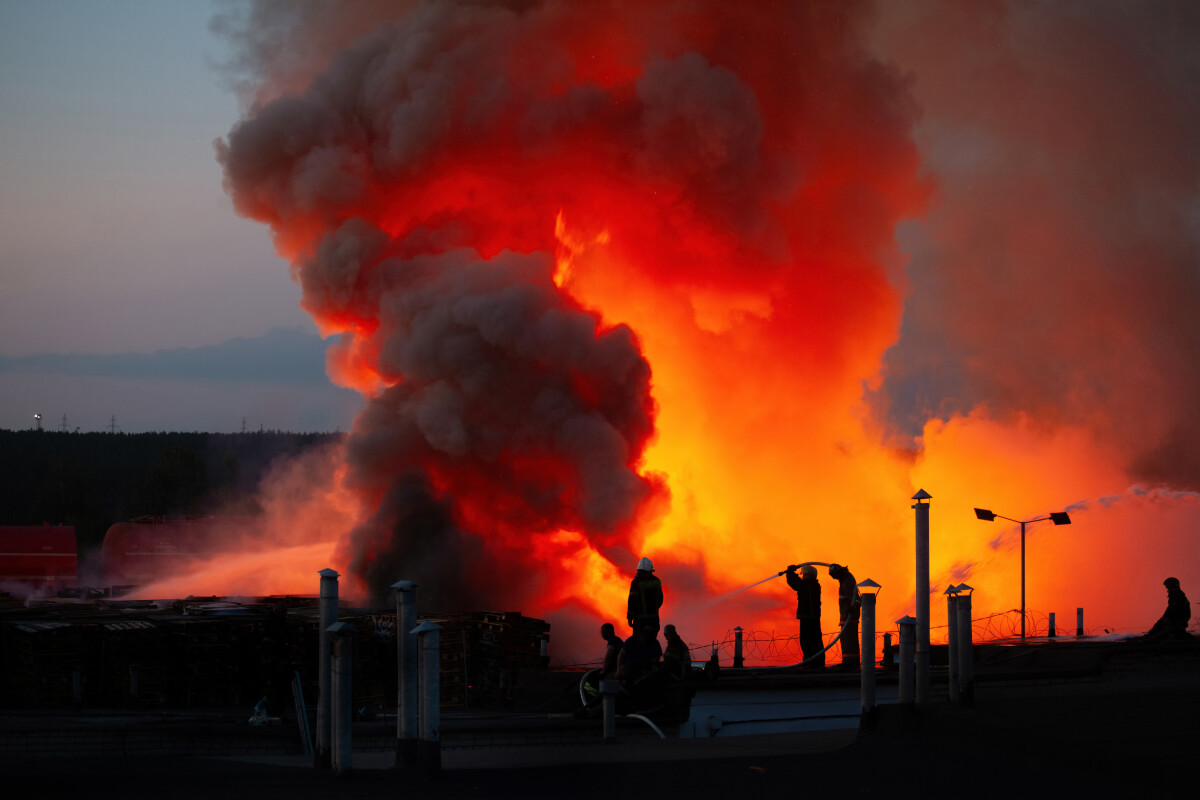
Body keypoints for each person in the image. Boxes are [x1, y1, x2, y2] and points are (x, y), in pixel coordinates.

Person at [785, 563, 824, 668]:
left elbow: (793, 582)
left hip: (807, 617)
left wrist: (790, 572)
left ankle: (810, 662)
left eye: (803, 574)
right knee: (815, 640)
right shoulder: (815, 585)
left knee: (807, 641)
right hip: (814, 617)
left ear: (807, 575)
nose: (802, 576)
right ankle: (817, 662)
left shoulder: (806, 585)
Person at [828, 564, 861, 670]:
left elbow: (857, 598)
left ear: (839, 573)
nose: (834, 578)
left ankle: (851, 662)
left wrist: (854, 607)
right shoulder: (845, 580)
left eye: (834, 576)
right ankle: (848, 661)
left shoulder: (848, 581)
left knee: (849, 640)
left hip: (849, 616)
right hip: (846, 616)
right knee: (846, 639)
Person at [627, 556, 664, 633]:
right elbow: (660, 599)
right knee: (652, 643)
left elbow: (632, 602)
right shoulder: (657, 581)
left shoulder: (635, 582)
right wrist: (653, 610)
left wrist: (630, 617)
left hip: (640, 622)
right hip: (654, 620)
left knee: (639, 643)